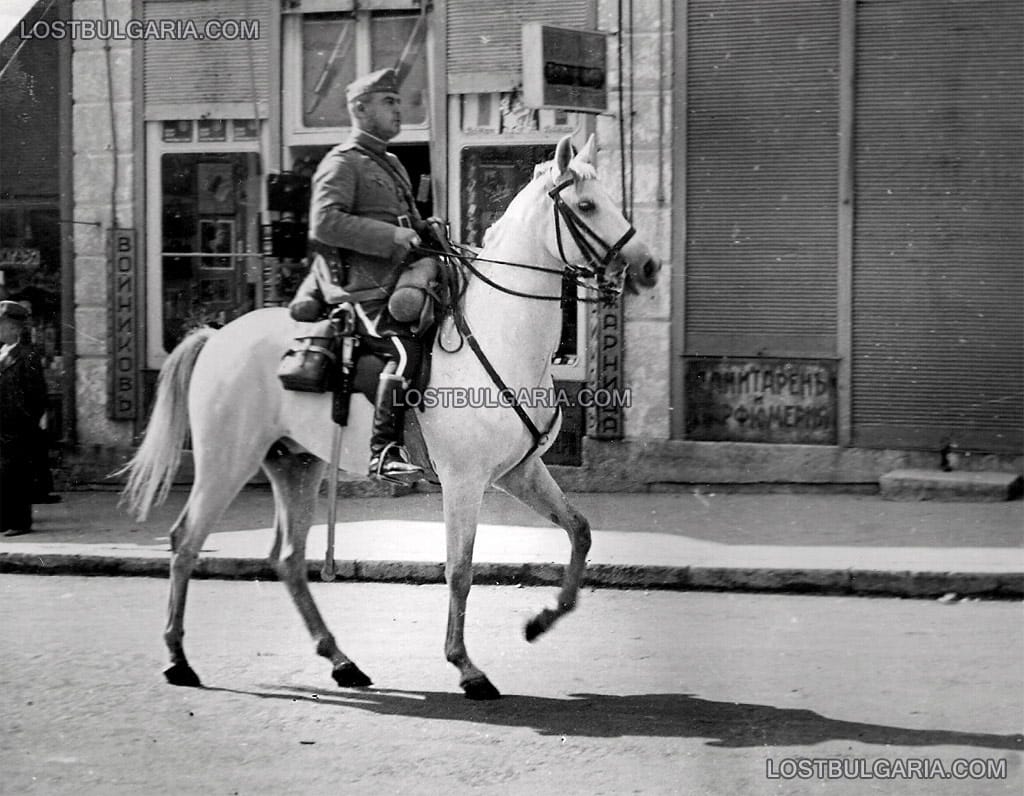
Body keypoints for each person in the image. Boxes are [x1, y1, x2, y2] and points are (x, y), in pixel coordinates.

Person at [290, 67, 437, 482]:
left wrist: (428, 229)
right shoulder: (342, 164)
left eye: (397, 101)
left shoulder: (390, 163)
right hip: (364, 292)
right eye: (388, 102)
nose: (398, 109)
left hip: (399, 283)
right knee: (404, 352)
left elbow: (408, 219)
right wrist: (391, 234)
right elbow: (324, 223)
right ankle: (384, 450)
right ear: (359, 108)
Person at [0, 301, 48, 536]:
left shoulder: (27, 356)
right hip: (3, 425)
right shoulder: (2, 353)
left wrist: (26, 422)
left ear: (14, 329)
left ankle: (19, 522)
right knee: (3, 474)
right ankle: (4, 519)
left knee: (16, 475)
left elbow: (38, 395)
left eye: (2, 325)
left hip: (17, 426)